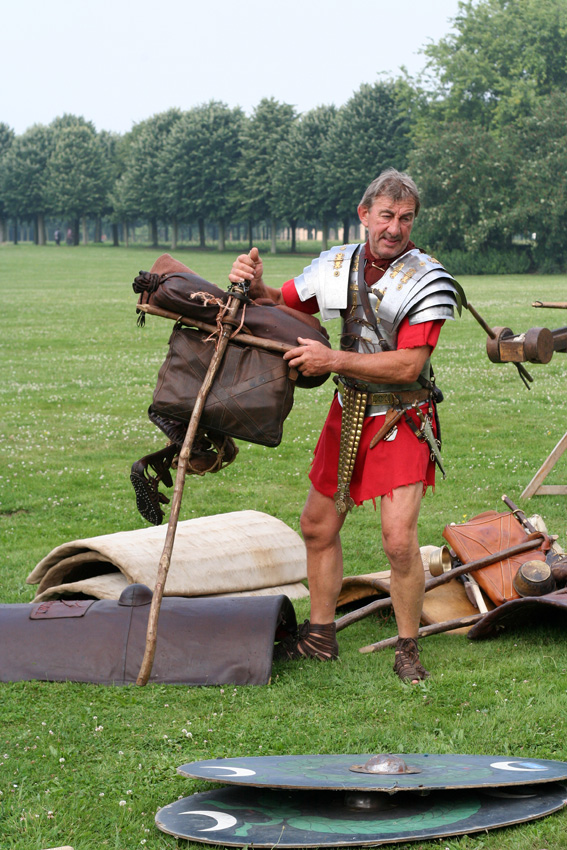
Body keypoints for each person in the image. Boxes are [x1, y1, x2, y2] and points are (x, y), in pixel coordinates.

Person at [229, 168, 465, 682]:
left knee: (399, 540)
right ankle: (319, 637)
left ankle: (407, 647)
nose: (395, 228)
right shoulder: (339, 263)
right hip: (351, 411)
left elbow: (407, 365)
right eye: (386, 215)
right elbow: (280, 301)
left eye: (405, 218)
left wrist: (332, 360)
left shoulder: (426, 277)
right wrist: (254, 283)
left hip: (403, 415)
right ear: (365, 215)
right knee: (317, 525)